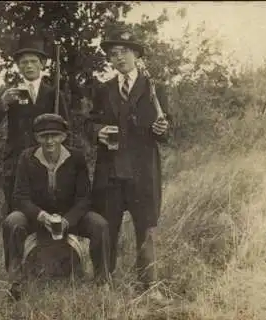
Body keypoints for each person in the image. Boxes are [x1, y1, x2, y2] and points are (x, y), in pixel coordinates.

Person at [86, 25, 171, 302]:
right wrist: (96, 131)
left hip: (142, 172)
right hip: (110, 172)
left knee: (145, 227)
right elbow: (89, 123)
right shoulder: (103, 89)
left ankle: (149, 286)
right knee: (106, 227)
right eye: (113, 54)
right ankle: (104, 284)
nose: (119, 58)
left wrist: (161, 129)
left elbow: (167, 129)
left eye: (124, 52)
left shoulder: (154, 88)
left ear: (136, 55)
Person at [3, 113, 111, 301]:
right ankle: (15, 282)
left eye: (55, 135)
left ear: (63, 137)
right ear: (37, 137)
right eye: (44, 136)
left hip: (69, 217)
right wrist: (41, 216)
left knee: (99, 224)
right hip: (37, 217)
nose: (49, 141)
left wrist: (67, 221)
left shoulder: (76, 157)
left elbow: (84, 198)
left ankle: (103, 281)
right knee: (13, 222)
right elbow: (20, 196)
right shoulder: (26, 157)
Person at [0, 35, 70, 218]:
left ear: (42, 64)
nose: (28, 66)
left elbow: (66, 130)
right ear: (18, 66)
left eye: (33, 61)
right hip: (16, 164)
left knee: (46, 214)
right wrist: (2, 103)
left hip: (47, 163)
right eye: (23, 62)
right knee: (15, 217)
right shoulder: (10, 93)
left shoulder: (54, 94)